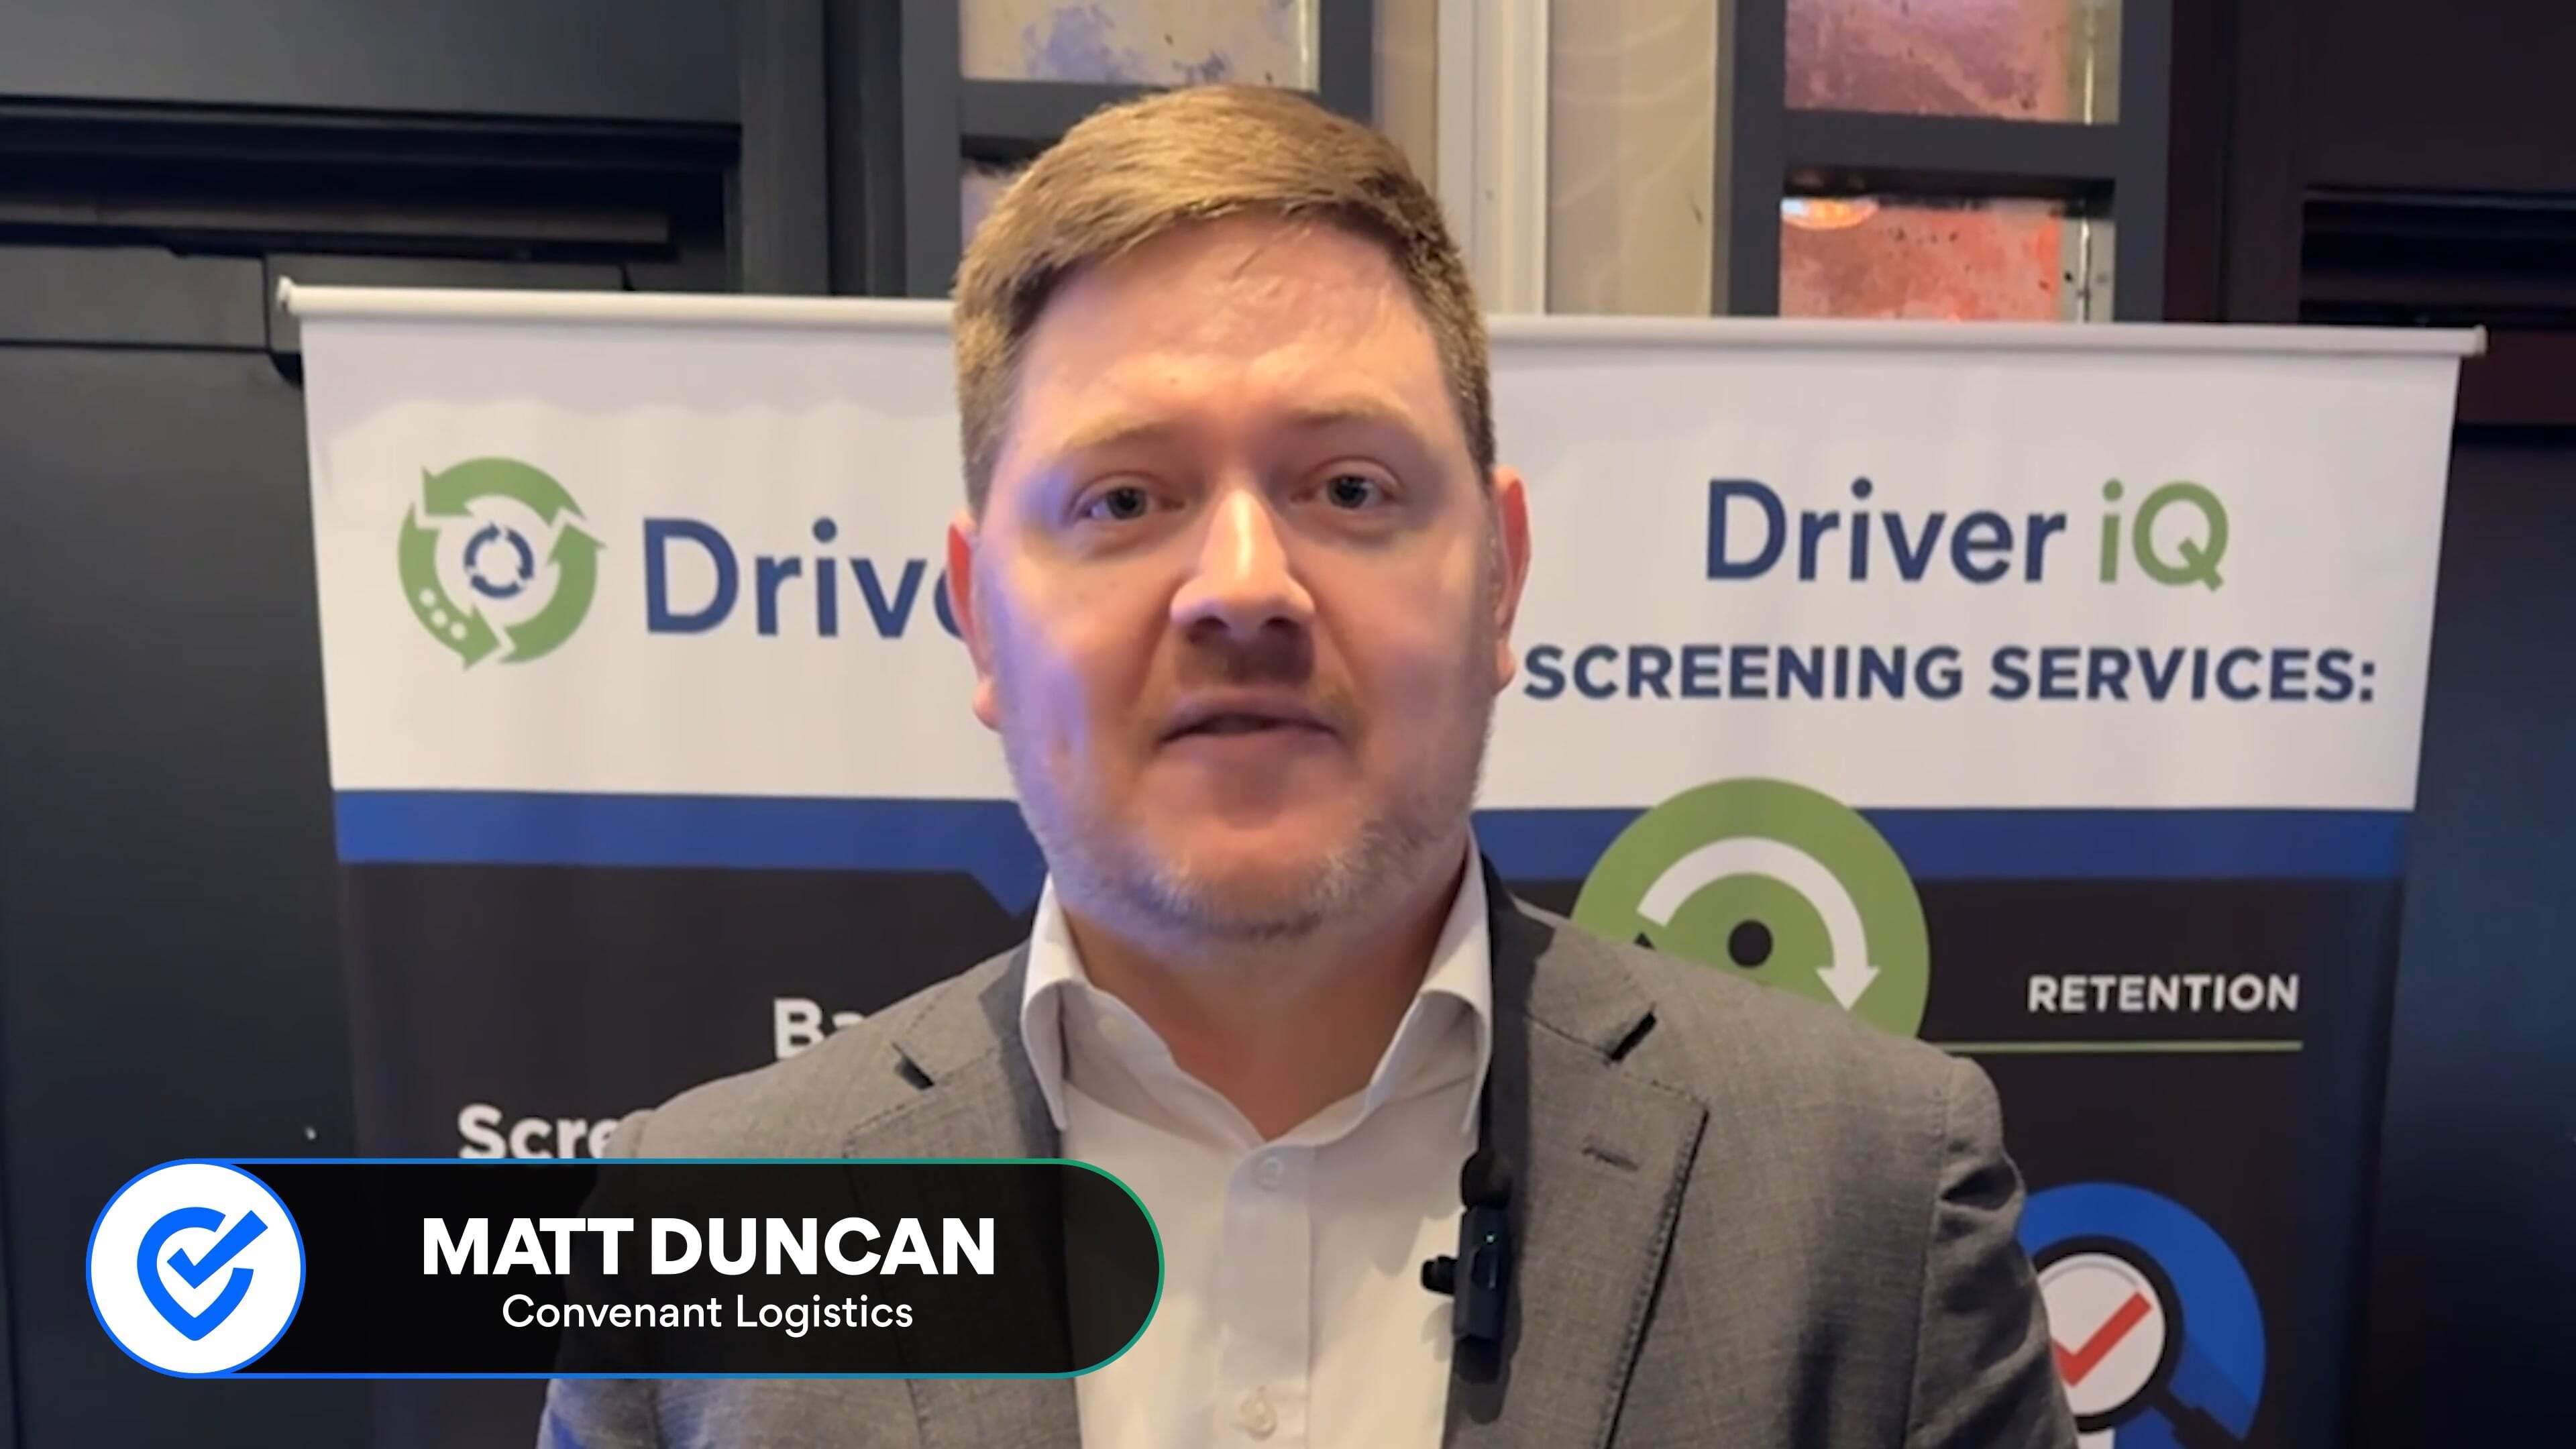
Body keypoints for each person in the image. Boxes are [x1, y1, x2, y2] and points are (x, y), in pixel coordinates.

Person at [539, 83, 2076, 1449]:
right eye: (1123, 499)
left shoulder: (1874, 1200)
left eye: (1348, 486)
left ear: (1500, 581)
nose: (1242, 586)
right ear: (981, 619)